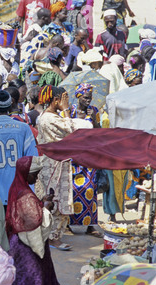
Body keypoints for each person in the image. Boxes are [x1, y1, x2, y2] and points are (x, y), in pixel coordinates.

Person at [35, 85, 93, 251]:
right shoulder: (48, 118)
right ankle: (52, 238)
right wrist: (67, 109)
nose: (67, 102)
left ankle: (55, 235)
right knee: (54, 201)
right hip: (53, 165)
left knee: (61, 199)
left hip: (59, 163)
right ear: (56, 100)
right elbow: (71, 130)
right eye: (64, 99)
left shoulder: (52, 116)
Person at [5, 156, 64, 285]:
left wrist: (41, 203)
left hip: (17, 241)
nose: (36, 179)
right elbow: (32, 222)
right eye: (35, 175)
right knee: (33, 280)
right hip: (26, 246)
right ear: (26, 173)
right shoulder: (25, 195)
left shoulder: (18, 188)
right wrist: (46, 209)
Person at [62, 83, 102, 238]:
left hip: (89, 156)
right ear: (78, 96)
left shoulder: (95, 111)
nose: (88, 101)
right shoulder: (69, 111)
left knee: (90, 189)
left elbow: (99, 133)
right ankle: (68, 224)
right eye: (86, 97)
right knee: (71, 191)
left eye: (90, 98)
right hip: (72, 157)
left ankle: (90, 225)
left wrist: (94, 120)